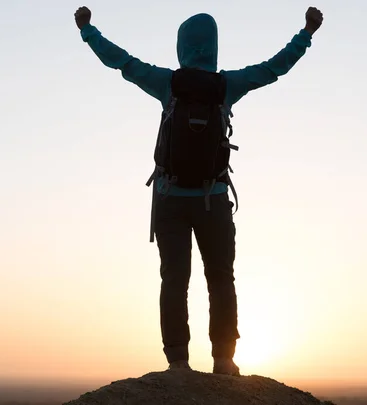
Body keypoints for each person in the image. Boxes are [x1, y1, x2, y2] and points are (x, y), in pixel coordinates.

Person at [74, 5, 323, 376]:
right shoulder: (227, 86)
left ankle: (178, 363)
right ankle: (224, 359)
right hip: (214, 199)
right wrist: (307, 33)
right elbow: (275, 68)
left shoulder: (167, 83)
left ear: (182, 47)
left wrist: (88, 30)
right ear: (214, 47)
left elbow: (121, 62)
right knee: (221, 278)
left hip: (169, 198)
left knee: (174, 280)